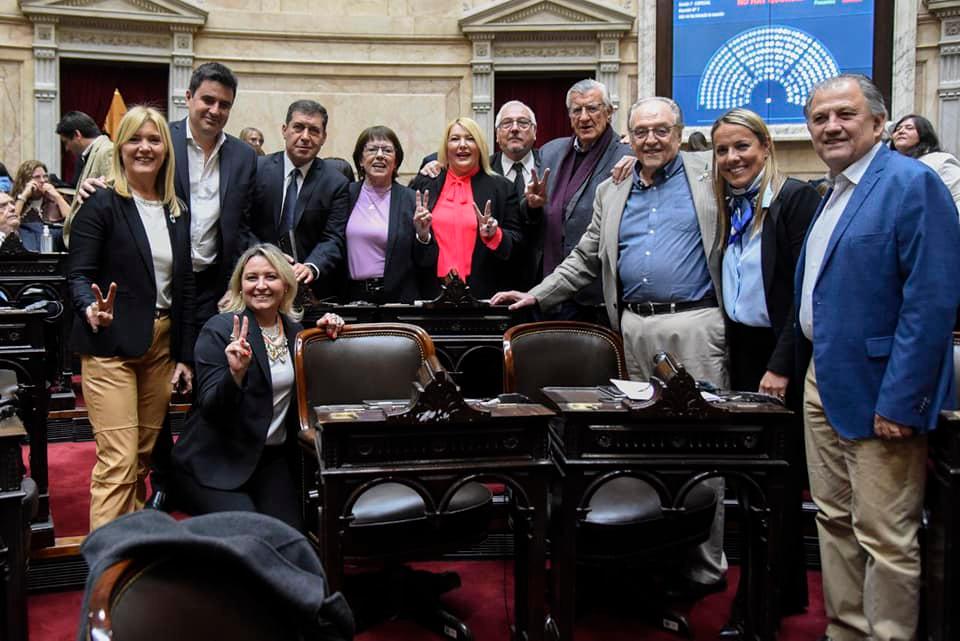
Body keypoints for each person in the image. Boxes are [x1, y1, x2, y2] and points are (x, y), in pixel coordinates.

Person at [493, 96, 727, 594]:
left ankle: (705, 566)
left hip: (696, 325)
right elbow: (584, 257)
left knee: (706, 447)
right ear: (629, 135)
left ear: (680, 132)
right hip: (633, 331)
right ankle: (652, 555)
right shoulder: (613, 188)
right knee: (645, 445)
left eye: (661, 130)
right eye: (641, 131)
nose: (650, 140)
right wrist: (535, 293)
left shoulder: (709, 174)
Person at [799, 74, 960, 641]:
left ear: (877, 122)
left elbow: (932, 301)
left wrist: (901, 400)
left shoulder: (911, 183)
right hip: (823, 379)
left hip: (880, 389)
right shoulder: (835, 189)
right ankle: (845, 630)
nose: (831, 127)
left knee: (885, 536)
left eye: (844, 115)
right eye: (820, 118)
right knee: (834, 521)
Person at [711, 107, 820, 613]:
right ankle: (779, 592)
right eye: (722, 150)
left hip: (782, 354)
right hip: (743, 350)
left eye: (742, 147)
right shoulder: (729, 202)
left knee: (777, 482)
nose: (732, 158)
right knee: (752, 483)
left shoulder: (794, 198)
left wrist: (780, 366)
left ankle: (765, 598)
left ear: (766, 146)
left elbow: (803, 292)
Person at [67, 106, 196, 530]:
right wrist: (89, 306)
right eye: (135, 139)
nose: (145, 148)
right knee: (118, 461)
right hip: (110, 345)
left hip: (159, 347)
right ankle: (105, 577)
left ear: (166, 150)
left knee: (140, 459)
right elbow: (78, 274)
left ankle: (131, 555)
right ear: (119, 146)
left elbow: (184, 287)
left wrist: (183, 355)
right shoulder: (102, 201)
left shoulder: (177, 210)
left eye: (154, 139)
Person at [171, 244, 344, 529]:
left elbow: (318, 385)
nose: (261, 285)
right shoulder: (218, 330)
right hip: (214, 462)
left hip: (268, 462)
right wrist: (235, 375)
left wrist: (329, 330)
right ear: (240, 285)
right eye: (252, 278)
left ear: (286, 284)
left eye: (270, 276)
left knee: (291, 538)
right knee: (251, 534)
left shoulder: (296, 334)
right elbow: (212, 408)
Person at [525, 79, 632, 321]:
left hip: (597, 296)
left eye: (592, 108)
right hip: (549, 288)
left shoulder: (627, 155)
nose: (584, 117)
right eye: (577, 110)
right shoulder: (550, 151)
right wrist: (532, 206)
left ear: (609, 112)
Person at [408, 117, 522, 299]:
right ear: (446, 148)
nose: (462, 145)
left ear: (480, 147)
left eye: (470, 138)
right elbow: (406, 245)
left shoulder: (502, 188)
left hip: (484, 295)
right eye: (455, 139)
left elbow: (518, 246)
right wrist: (422, 236)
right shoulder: (425, 183)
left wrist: (495, 234)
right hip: (430, 293)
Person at [249, 100, 350, 299]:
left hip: (310, 290)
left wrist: (312, 266)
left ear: (323, 138)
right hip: (259, 283)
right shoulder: (257, 169)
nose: (305, 137)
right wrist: (263, 255)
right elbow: (243, 225)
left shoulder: (336, 182)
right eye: (298, 128)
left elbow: (333, 237)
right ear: (284, 130)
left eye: (314, 130)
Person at [339, 126, 429, 303]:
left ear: (395, 161)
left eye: (387, 150)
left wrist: (422, 235)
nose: (380, 155)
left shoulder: (412, 199)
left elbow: (426, 262)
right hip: (352, 299)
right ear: (361, 160)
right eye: (372, 149)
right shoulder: (345, 195)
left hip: (398, 300)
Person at [56, 111, 115, 245]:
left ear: (77, 135)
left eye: (66, 142)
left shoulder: (107, 151)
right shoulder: (92, 153)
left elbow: (112, 199)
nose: (66, 148)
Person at [889, 113, 960, 216]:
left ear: (923, 134)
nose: (901, 131)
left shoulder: (940, 161)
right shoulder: (888, 166)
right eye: (897, 129)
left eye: (909, 128)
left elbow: (957, 198)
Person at [12, 160, 70, 225]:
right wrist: (24, 196)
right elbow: (12, 222)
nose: (42, 180)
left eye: (45, 176)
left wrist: (57, 197)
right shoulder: (16, 201)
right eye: (37, 177)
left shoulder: (54, 199)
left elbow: (71, 221)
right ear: (26, 181)